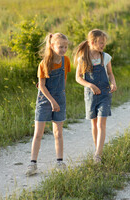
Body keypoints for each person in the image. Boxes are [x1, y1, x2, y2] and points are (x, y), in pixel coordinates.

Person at [26, 33, 71, 176]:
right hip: (45, 100)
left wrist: (59, 99)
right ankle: (32, 164)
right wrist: (52, 101)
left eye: (65, 47)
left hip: (60, 99)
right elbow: (42, 86)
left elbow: (64, 81)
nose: (63, 49)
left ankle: (59, 162)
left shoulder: (66, 61)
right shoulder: (44, 63)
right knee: (38, 133)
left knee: (58, 133)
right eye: (60, 46)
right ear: (52, 46)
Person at [74, 29, 117, 163]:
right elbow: (78, 78)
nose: (103, 46)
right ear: (92, 42)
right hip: (91, 95)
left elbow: (110, 73)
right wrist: (90, 85)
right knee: (94, 124)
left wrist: (113, 83)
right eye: (101, 43)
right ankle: (97, 149)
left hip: (105, 94)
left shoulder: (106, 57)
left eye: (104, 43)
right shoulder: (83, 58)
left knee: (101, 124)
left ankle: (98, 154)